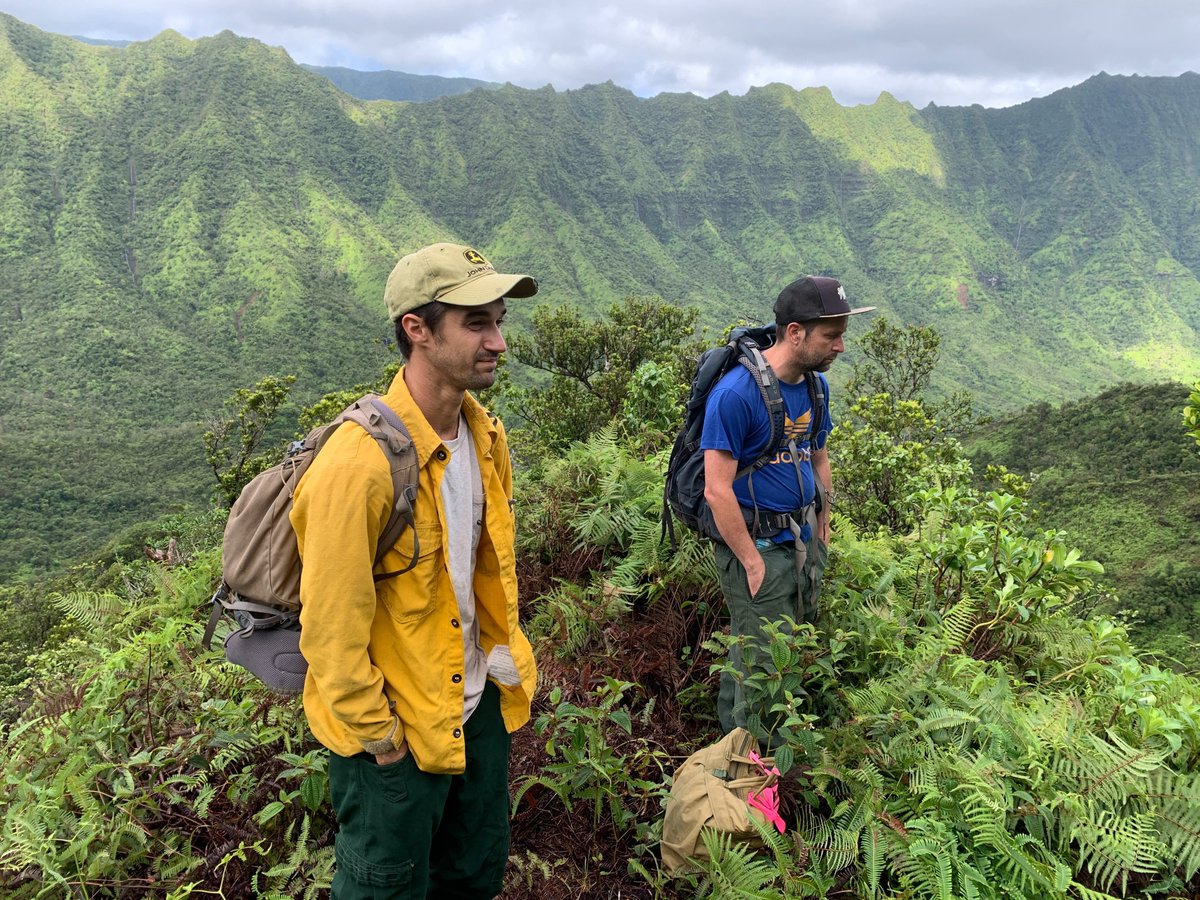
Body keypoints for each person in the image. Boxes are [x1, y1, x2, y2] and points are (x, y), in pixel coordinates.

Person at [290, 242, 540, 899]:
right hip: (395, 739)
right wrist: (382, 742)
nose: (498, 344)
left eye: (499, 322)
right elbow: (330, 633)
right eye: (477, 324)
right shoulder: (357, 466)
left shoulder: (486, 436)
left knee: (472, 875)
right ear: (418, 330)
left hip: (477, 709)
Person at [700, 275, 874, 738]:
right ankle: (753, 777)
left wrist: (825, 525)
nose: (839, 347)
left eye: (841, 335)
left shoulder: (815, 389)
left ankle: (729, 743)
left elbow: (818, 455)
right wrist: (752, 563)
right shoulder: (736, 395)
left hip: (802, 541)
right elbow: (717, 489)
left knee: (760, 651)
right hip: (758, 546)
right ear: (795, 332)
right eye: (831, 336)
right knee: (766, 669)